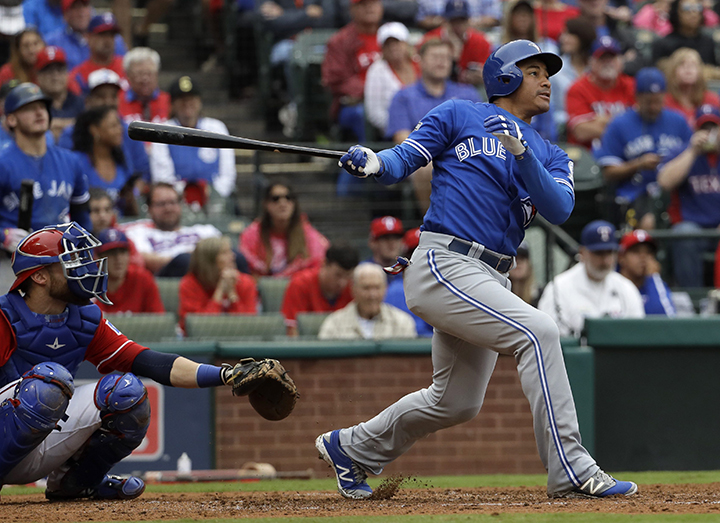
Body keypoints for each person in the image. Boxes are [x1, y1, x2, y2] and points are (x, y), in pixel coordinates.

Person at [319, 40, 638, 500]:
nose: (547, 81)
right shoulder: (458, 114)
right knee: (539, 332)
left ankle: (352, 447)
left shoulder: (551, 153)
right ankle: (570, 467)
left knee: (456, 402)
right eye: (534, 72)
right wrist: (373, 162)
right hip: (445, 261)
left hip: (492, 276)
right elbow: (403, 159)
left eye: (547, 73)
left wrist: (524, 155)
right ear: (505, 76)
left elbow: (560, 207)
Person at [0, 222, 294, 500]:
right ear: (39, 276)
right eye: (71, 263)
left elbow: (148, 361)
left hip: (40, 438)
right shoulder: (5, 316)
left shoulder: (84, 317)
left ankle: (75, 483)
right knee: (49, 382)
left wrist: (227, 375)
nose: (86, 269)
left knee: (127, 393)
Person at [385, 38, 480, 212]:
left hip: (466, 155)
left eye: (445, 57)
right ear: (420, 61)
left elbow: (481, 133)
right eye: (435, 56)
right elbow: (402, 139)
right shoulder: (403, 97)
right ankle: (436, 228)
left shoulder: (468, 93)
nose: (441, 61)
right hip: (425, 159)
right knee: (427, 169)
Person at [594, 67, 691, 229]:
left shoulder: (678, 121)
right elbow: (608, 173)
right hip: (635, 194)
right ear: (637, 97)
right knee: (649, 222)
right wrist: (639, 164)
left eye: (658, 101)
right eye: (648, 102)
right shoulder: (619, 124)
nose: (653, 107)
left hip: (677, 194)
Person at [0, 83, 91, 253]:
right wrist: (3, 236)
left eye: (42, 106)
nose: (39, 112)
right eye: (29, 108)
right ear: (11, 119)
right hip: (10, 259)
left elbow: (82, 219)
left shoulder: (70, 161)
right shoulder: (3, 163)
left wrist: (85, 255)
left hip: (58, 255)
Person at [538, 220, 645, 337]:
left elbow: (637, 333)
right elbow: (549, 337)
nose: (605, 260)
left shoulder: (626, 288)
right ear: (582, 253)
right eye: (598, 253)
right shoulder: (558, 287)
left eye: (609, 253)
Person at [656, 104, 720, 288]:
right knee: (684, 234)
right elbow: (664, 182)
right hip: (694, 228)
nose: (709, 134)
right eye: (704, 129)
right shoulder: (682, 151)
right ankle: (691, 301)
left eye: (713, 128)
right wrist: (692, 152)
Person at [149, 76, 236, 207]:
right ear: (172, 104)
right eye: (181, 99)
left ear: (200, 101)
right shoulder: (163, 130)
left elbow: (228, 172)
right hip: (177, 203)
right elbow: (162, 176)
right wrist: (186, 196)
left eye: (192, 98)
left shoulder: (216, 128)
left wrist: (213, 196)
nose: (187, 103)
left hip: (216, 201)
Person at [57, 68, 150, 183]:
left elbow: (143, 173)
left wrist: (130, 194)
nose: (108, 102)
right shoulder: (70, 133)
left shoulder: (132, 131)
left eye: (113, 96)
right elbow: (63, 173)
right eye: (101, 96)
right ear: (88, 101)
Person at [122, 183, 224, 276]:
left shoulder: (204, 230)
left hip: (209, 276)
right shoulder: (138, 233)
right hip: (168, 277)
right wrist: (195, 258)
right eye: (161, 204)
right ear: (150, 208)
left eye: (172, 202)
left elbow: (224, 254)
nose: (168, 208)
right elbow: (146, 260)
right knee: (184, 260)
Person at [321, 0, 382, 142]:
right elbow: (336, 79)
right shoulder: (340, 41)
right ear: (352, 9)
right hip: (355, 103)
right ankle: (369, 161)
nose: (369, 8)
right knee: (361, 114)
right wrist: (372, 92)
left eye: (373, 3)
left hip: (388, 99)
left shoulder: (390, 36)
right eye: (363, 4)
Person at [239, 182, 329, 278]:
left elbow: (319, 262)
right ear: (266, 204)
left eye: (288, 197)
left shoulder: (309, 235)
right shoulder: (252, 234)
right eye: (275, 199)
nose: (282, 203)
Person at [565, 35, 635, 149]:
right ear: (591, 62)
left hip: (627, 152)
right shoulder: (577, 89)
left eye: (612, 58)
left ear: (620, 61)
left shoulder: (631, 85)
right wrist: (624, 122)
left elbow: (641, 124)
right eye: (602, 59)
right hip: (589, 157)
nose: (608, 63)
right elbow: (581, 132)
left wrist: (603, 120)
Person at [177, 236, 258, 333]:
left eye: (230, 251)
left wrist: (232, 294)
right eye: (225, 253)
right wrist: (219, 291)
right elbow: (197, 327)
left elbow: (248, 325)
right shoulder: (189, 284)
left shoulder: (245, 282)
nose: (232, 256)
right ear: (208, 261)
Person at [318, 262, 416, 339]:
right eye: (366, 288)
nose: (372, 295)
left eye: (377, 288)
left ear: (385, 289)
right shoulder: (334, 324)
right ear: (353, 290)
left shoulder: (402, 323)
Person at [281, 243, 359, 337]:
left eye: (348, 276)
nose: (342, 283)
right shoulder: (300, 285)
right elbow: (292, 332)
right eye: (338, 275)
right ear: (324, 263)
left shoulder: (354, 288)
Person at [72, 105, 137, 215]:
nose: (120, 129)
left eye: (119, 124)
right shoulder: (78, 162)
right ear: (94, 130)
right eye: (113, 125)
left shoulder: (123, 161)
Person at [363, 22, 418, 139]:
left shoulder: (420, 63)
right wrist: (400, 125)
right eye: (388, 44)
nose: (393, 47)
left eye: (397, 42)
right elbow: (374, 113)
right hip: (395, 131)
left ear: (406, 43)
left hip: (426, 125)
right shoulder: (376, 71)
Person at [421, 0, 491, 87]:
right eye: (453, 21)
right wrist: (454, 56)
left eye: (462, 21)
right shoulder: (430, 39)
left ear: (468, 21)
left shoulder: (480, 41)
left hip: (470, 88)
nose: (458, 26)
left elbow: (486, 73)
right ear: (445, 22)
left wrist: (482, 76)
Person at [93, 228, 164, 314]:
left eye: (122, 252)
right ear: (99, 258)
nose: (118, 259)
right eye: (111, 253)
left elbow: (158, 320)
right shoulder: (88, 285)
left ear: (129, 255)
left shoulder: (143, 279)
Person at [45, 0, 127, 71]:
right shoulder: (52, 42)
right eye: (75, 8)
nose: (81, 13)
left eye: (85, 6)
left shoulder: (114, 39)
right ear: (65, 15)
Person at [551, 16, 597, 135]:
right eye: (563, 34)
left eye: (569, 34)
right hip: (565, 132)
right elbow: (551, 110)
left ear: (583, 37)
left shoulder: (596, 69)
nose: (563, 39)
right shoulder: (555, 71)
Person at [651, 0, 720, 76]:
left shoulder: (708, 42)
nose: (693, 13)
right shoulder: (663, 44)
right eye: (687, 8)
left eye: (698, 8)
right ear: (677, 12)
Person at [617, 229, 676, 315]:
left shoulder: (656, 285)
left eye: (648, 252)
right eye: (636, 251)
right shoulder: (612, 284)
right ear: (621, 257)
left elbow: (665, 317)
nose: (643, 257)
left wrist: (653, 278)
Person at [662, 47, 720, 128]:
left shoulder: (712, 100)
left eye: (693, 64)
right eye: (682, 64)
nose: (688, 67)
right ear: (673, 71)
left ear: (700, 71)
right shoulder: (664, 102)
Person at [35, 45, 84, 142]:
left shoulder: (80, 102)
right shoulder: (34, 105)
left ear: (67, 73)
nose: (55, 76)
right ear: (38, 76)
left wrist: (53, 124)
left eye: (60, 70)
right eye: (49, 71)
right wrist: (74, 124)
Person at [69, 13, 126, 94]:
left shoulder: (127, 68)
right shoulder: (78, 76)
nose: (108, 40)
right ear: (88, 38)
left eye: (111, 35)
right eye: (102, 35)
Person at [118, 47, 170, 124]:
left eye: (149, 73)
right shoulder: (118, 101)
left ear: (157, 74)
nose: (145, 79)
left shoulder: (168, 101)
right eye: (140, 73)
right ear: (128, 75)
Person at [508, 241, 540, 306]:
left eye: (522, 258)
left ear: (529, 264)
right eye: (514, 258)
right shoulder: (500, 293)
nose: (518, 262)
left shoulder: (540, 296)